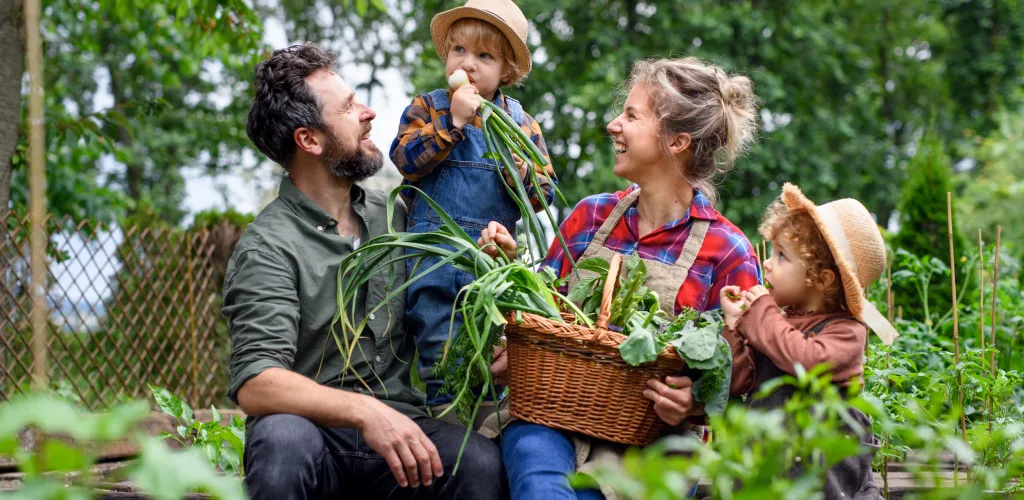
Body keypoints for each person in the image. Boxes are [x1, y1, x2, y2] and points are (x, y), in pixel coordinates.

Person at [224, 42, 504, 500]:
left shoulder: (402, 217)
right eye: (350, 107)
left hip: (403, 436)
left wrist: (492, 261)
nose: (370, 112)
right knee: (282, 442)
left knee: (477, 462)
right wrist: (364, 412)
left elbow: (449, 307)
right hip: (316, 436)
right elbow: (258, 382)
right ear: (309, 140)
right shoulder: (268, 245)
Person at [480, 56, 762, 499]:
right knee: (541, 485)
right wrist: (510, 284)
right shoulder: (590, 216)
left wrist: (697, 399)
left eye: (631, 116)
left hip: (652, 445)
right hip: (552, 415)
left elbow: (746, 367)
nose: (614, 125)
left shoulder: (727, 249)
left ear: (677, 141)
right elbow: (544, 313)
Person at [389, 0, 556, 425]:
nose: (470, 64)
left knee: (492, 351)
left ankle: (489, 422)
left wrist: (521, 170)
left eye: (485, 56)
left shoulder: (521, 123)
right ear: (446, 56)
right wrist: (454, 124)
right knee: (441, 352)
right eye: (460, 50)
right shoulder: (428, 108)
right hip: (434, 261)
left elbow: (545, 194)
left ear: (507, 72)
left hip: (493, 265)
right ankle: (448, 421)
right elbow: (405, 159)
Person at [720, 182, 897, 499]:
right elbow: (738, 382)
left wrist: (762, 313)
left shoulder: (847, 332)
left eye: (782, 256)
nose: (767, 263)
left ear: (822, 279)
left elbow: (806, 360)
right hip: (771, 469)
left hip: (827, 479)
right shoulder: (777, 322)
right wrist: (734, 325)